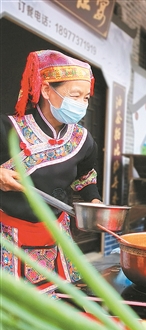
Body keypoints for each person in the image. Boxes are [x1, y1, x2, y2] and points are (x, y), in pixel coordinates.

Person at [0, 50, 102, 294]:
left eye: (86, 98)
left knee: (56, 304)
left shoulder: (83, 140)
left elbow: (85, 178)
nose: (81, 104)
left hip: (55, 235)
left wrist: (94, 200)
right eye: (74, 95)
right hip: (7, 235)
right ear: (47, 91)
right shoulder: (8, 128)